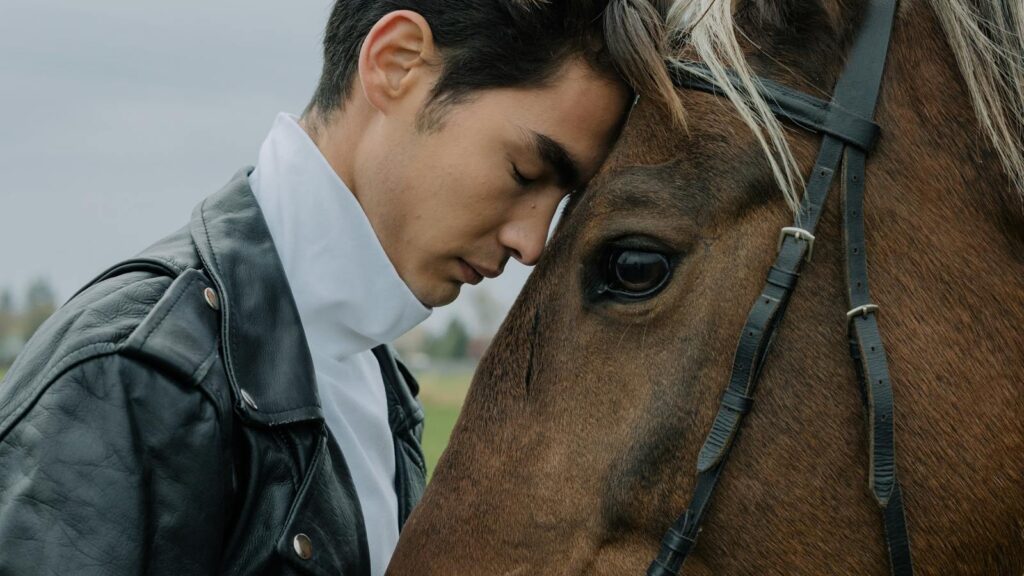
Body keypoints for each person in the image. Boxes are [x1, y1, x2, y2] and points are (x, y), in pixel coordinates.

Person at [0, 1, 682, 574]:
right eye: (527, 171)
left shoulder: (373, 381)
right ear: (397, 63)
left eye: (563, 202)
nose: (532, 244)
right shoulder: (139, 374)